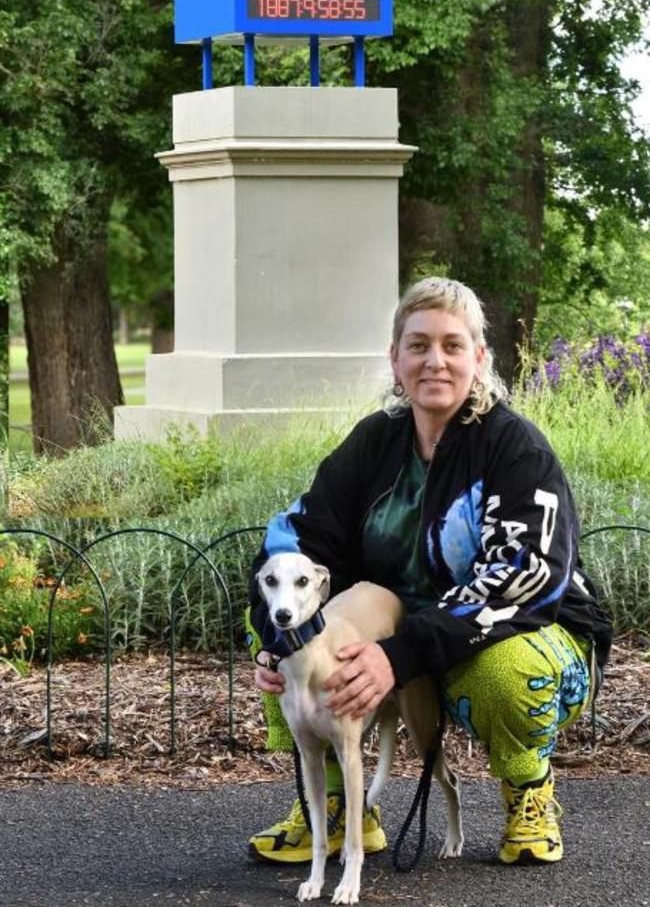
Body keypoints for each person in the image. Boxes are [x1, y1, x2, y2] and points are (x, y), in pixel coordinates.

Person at [245, 276, 612, 866]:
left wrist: (400, 653)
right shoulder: (374, 443)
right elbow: (297, 540)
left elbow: (523, 577)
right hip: (399, 633)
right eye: (417, 345)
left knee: (504, 668)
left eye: (452, 345)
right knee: (284, 612)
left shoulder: (516, 450)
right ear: (395, 359)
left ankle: (528, 790)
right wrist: (272, 637)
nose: (434, 361)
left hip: (522, 633)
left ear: (480, 358)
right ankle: (340, 808)